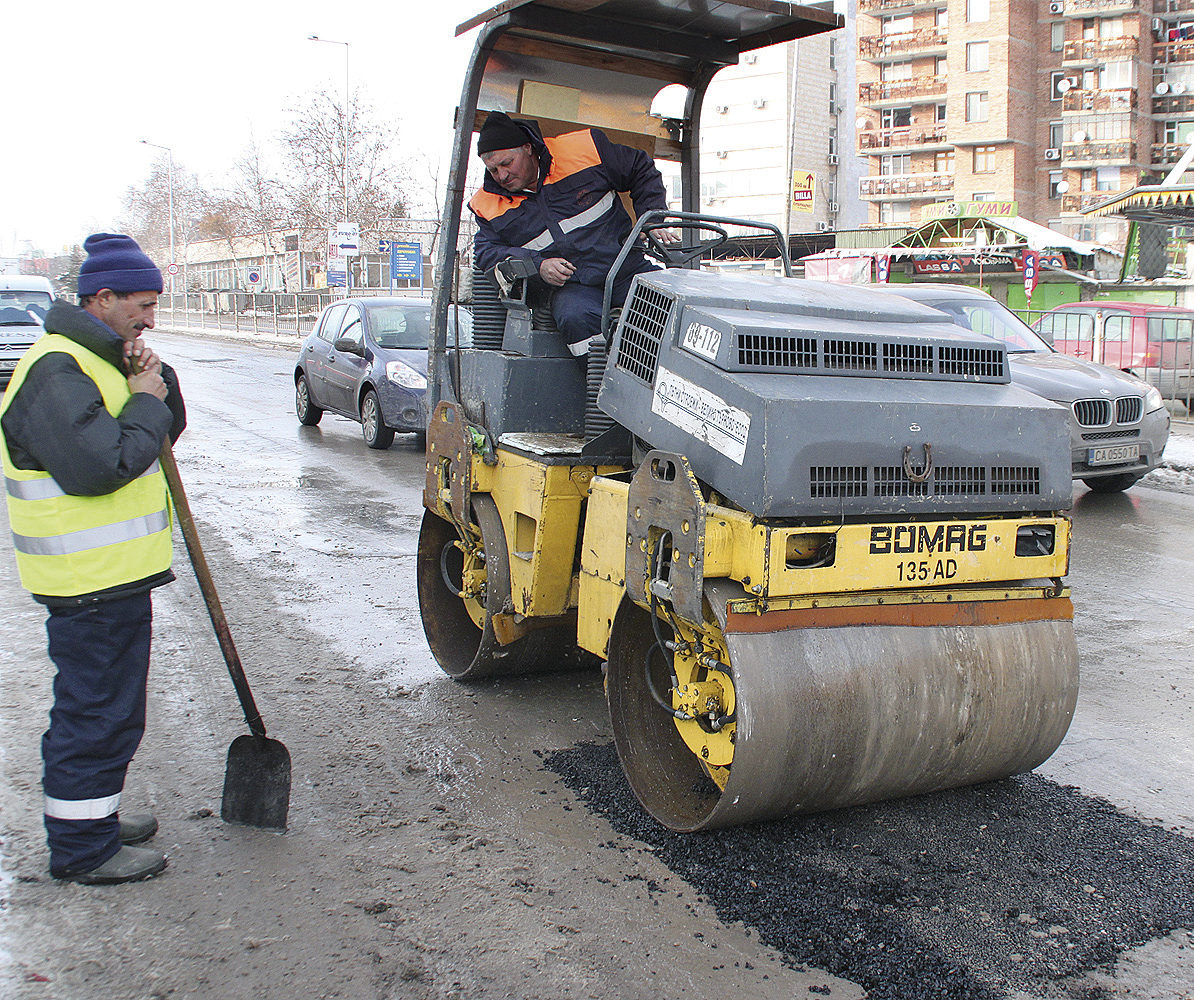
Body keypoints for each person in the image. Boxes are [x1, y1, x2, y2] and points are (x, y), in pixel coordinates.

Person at [0, 233, 186, 885]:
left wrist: (153, 380)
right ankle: (82, 850)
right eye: (141, 305)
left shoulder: (97, 357)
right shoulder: (55, 368)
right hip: (86, 583)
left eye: (155, 305)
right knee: (96, 713)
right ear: (100, 298)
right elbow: (100, 465)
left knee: (111, 709)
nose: (150, 317)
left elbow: (162, 427)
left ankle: (93, 819)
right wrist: (143, 399)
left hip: (111, 580)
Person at [469, 110, 677, 357]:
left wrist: (652, 217)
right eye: (493, 170)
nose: (501, 175)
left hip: (626, 270)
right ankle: (602, 387)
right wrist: (539, 266)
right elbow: (487, 253)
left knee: (675, 303)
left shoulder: (584, 151)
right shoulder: (488, 204)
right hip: (573, 288)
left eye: (506, 164)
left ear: (527, 148)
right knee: (575, 316)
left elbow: (639, 168)